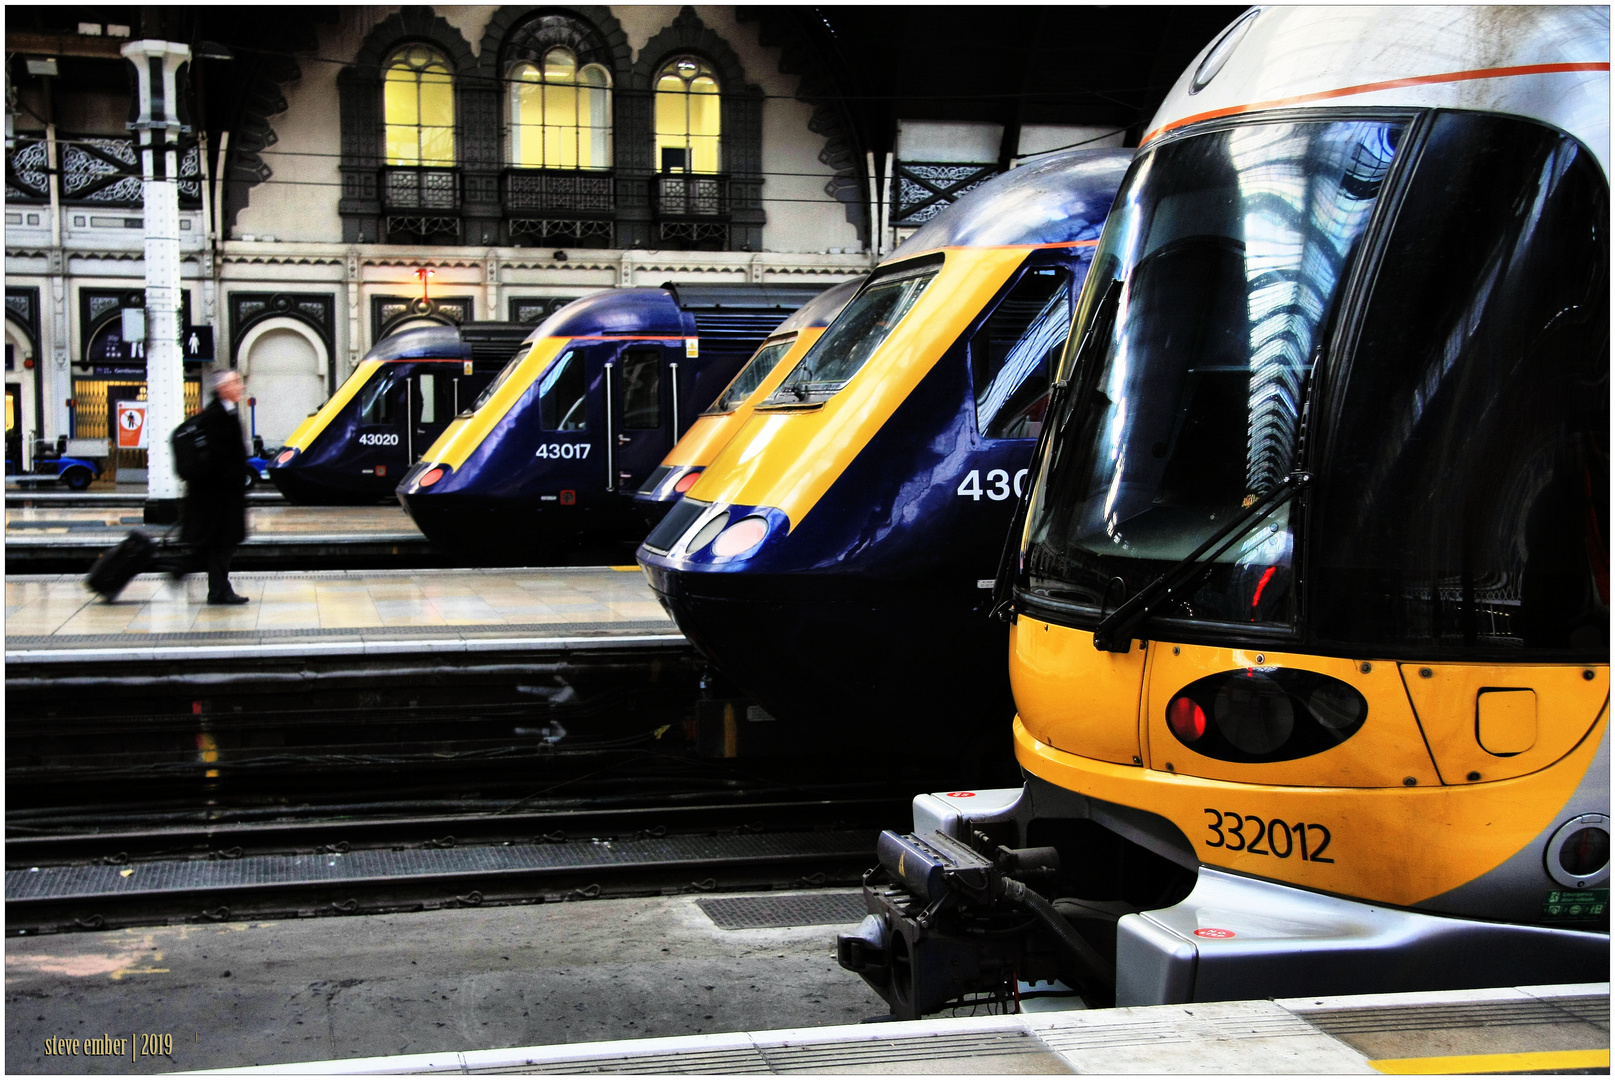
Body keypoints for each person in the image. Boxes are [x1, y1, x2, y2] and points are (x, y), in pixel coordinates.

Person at [179, 369, 251, 604]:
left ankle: (218, 589)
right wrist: (234, 482)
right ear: (223, 389)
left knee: (220, 545)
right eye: (235, 383)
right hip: (219, 498)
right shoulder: (217, 415)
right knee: (221, 544)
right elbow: (222, 458)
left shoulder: (224, 411)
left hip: (221, 496)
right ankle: (217, 590)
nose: (240, 386)